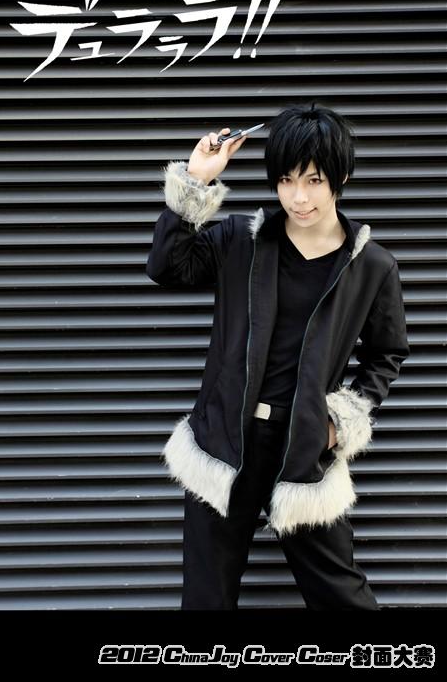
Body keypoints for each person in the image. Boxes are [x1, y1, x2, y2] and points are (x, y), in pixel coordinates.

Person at [145, 102, 410, 610]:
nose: (299, 197)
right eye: (286, 181)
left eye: (313, 180)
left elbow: (387, 353)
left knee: (342, 596)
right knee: (206, 599)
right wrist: (197, 180)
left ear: (340, 178)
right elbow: (166, 266)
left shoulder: (372, 267)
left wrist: (340, 421)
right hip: (226, 444)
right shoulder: (241, 241)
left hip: (302, 445)